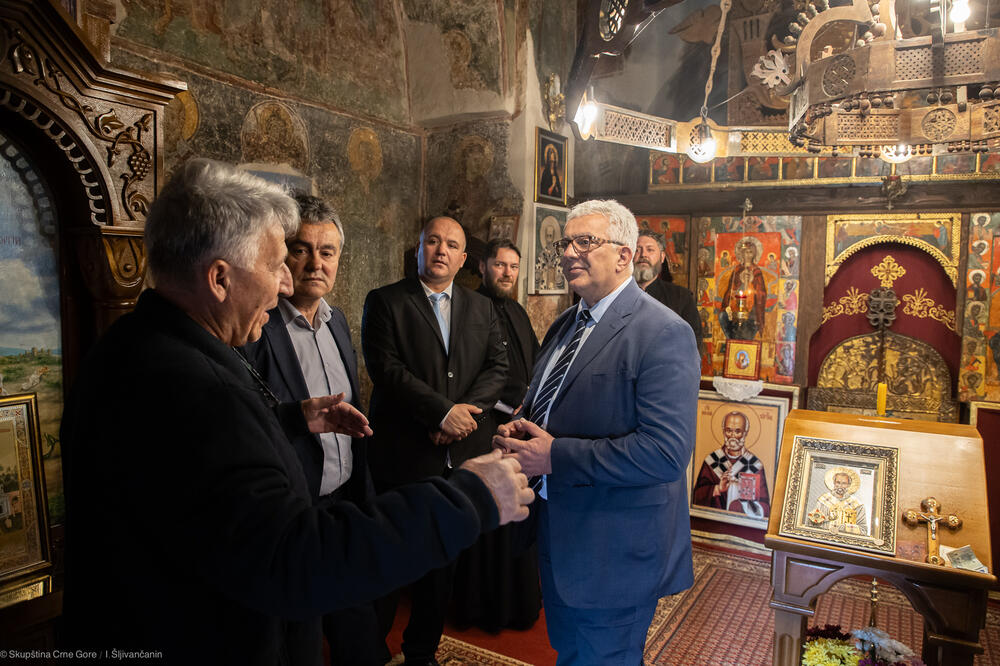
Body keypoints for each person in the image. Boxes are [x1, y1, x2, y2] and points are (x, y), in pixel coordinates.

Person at [60, 159, 533, 666]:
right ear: (220, 279)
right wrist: (471, 497)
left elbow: (203, 477)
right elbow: (294, 560)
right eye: (275, 264)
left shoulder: (136, 345)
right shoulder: (191, 385)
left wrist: (290, 418)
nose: (287, 283)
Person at [494, 199, 699, 664]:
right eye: (567, 242)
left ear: (625, 256)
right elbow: (554, 403)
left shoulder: (663, 331)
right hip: (560, 528)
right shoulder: (568, 321)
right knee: (571, 653)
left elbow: (665, 452)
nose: (569, 252)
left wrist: (553, 456)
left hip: (615, 546)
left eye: (586, 242)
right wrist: (523, 430)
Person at [240, 192, 380, 664]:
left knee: (358, 629)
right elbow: (249, 425)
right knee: (300, 638)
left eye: (328, 252)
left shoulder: (339, 322)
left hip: (344, 501)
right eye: (301, 250)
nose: (315, 264)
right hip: (295, 510)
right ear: (283, 255)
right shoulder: (255, 328)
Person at [362, 216, 508, 665]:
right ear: (419, 248)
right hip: (403, 454)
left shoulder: (481, 308)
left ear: (465, 259)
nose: (441, 250)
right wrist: (440, 411)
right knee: (388, 559)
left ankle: (421, 652)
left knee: (441, 565)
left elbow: (497, 368)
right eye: (433, 241)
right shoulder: (386, 302)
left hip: (458, 457)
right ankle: (368, 651)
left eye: (452, 245)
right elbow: (386, 370)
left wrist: (461, 415)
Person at [452, 238, 542, 632]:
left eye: (513, 266)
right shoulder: (470, 309)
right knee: (489, 515)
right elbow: (471, 371)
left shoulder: (519, 313)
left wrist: (529, 403)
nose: (507, 273)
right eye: (500, 265)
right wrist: (505, 407)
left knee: (518, 515)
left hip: (519, 430)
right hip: (486, 427)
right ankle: (481, 608)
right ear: (484, 267)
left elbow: (533, 365)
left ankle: (516, 606)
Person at [692, 411, 770, 518]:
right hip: (716, 521)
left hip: (741, 526)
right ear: (724, 432)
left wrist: (746, 505)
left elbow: (765, 507)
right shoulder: (712, 460)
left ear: (745, 433)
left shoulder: (754, 465)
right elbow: (696, 497)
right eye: (728, 431)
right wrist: (718, 489)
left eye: (738, 431)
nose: (732, 436)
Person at [633, 231, 703, 348]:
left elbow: (693, 344)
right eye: (637, 250)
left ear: (662, 257)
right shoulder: (615, 294)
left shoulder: (682, 297)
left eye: (650, 250)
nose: (643, 255)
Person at [719, 237, 767, 340]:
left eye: (750, 252)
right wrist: (739, 281)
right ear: (742, 254)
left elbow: (761, 293)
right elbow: (730, 290)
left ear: (754, 254)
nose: (748, 255)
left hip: (751, 309)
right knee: (723, 316)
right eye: (746, 252)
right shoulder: (737, 270)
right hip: (735, 307)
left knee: (751, 322)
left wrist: (752, 283)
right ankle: (731, 342)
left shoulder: (757, 271)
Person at [807, 467, 868, 535]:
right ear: (834, 483)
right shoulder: (823, 501)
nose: (840, 486)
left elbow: (863, 531)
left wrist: (844, 528)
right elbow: (811, 523)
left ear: (849, 485)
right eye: (838, 482)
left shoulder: (857, 505)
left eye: (844, 483)